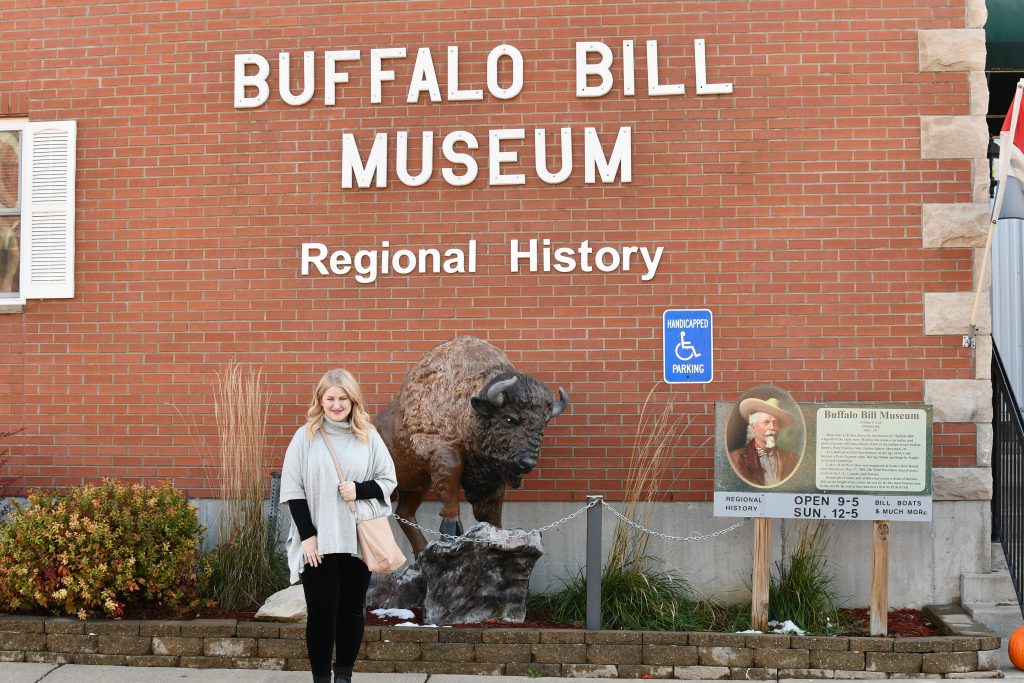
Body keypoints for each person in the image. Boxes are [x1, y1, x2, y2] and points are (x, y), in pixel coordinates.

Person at [280, 369, 398, 683]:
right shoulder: (305, 436)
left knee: (350, 610)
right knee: (321, 613)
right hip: (318, 541)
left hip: (357, 539)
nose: (336, 404)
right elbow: (293, 490)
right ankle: (321, 678)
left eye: (342, 398)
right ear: (320, 400)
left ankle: (343, 674)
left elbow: (388, 481)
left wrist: (359, 489)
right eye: (330, 398)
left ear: (352, 400)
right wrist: (307, 536)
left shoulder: (368, 435)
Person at [727, 396, 799, 487]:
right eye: (766, 422)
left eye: (775, 423)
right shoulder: (736, 459)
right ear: (753, 428)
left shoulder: (791, 458)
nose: (772, 428)